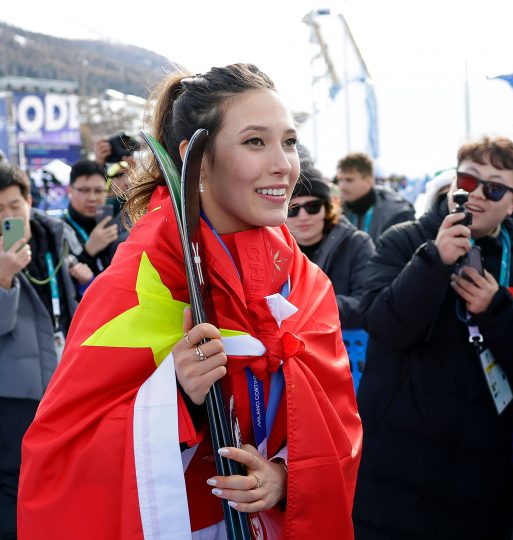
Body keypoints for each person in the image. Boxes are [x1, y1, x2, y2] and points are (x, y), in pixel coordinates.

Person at [18, 63, 362, 540]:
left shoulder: (305, 283)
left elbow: (338, 424)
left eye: (288, 141)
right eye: (255, 142)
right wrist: (174, 394)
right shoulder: (138, 284)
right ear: (195, 157)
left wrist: (286, 476)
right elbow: (62, 453)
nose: (284, 164)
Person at [353, 135, 513, 539]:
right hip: (394, 467)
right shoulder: (404, 240)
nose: (477, 194)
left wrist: (497, 310)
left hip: (476, 475)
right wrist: (434, 260)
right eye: (467, 180)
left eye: (494, 187)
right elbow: (383, 324)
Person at [0, 163, 85, 540]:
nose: (8, 216)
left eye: (13, 206)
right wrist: (3, 278)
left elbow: (67, 305)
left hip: (60, 378)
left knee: (58, 477)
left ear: (29, 200)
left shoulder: (53, 235)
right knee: (15, 482)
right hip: (13, 391)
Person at [286, 165, 374, 329]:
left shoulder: (357, 243)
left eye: (313, 207)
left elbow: (368, 303)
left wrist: (311, 305)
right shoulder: (272, 249)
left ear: (327, 209)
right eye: (293, 209)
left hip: (347, 346)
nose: (303, 217)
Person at [336, 151, 414, 244]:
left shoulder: (397, 214)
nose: (342, 186)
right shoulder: (339, 211)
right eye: (340, 180)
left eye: (349, 180)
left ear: (368, 181)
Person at [65, 159, 120, 280]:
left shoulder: (118, 225)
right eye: (84, 190)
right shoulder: (58, 230)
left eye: (99, 191)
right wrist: (88, 252)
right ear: (70, 190)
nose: (92, 198)